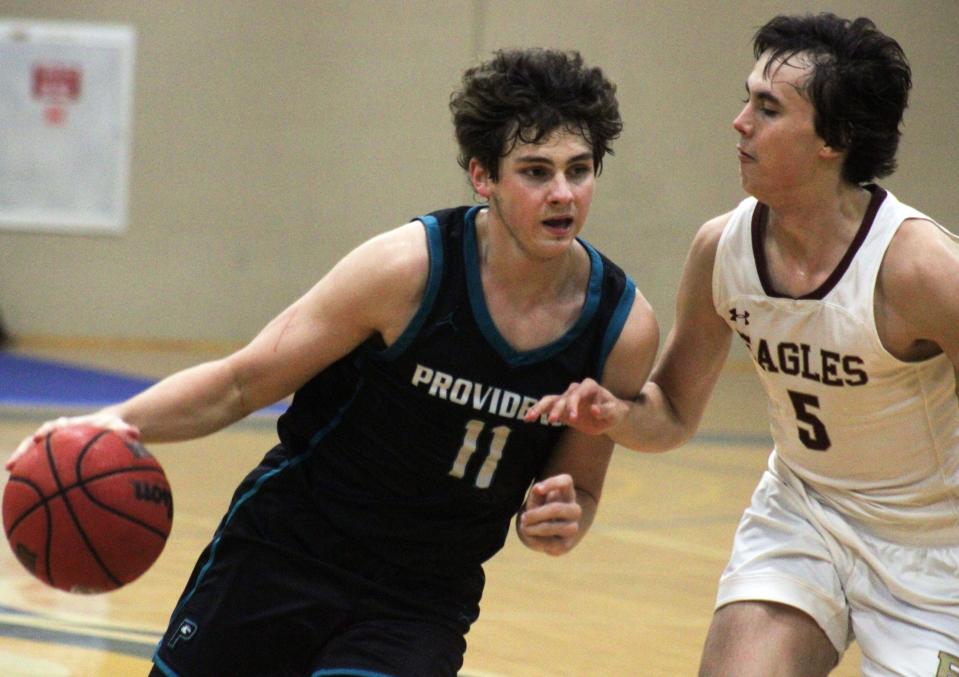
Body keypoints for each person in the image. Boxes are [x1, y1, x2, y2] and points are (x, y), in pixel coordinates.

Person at [7, 48, 658, 676]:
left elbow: (580, 484)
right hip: (285, 552)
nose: (563, 193)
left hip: (419, 597)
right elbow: (239, 384)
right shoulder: (405, 270)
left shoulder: (618, 327)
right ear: (481, 175)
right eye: (535, 170)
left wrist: (560, 518)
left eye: (579, 168)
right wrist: (102, 424)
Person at [526, 13, 959, 677]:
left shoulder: (920, 268)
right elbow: (670, 412)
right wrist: (614, 414)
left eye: (766, 107)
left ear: (834, 138)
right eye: (745, 98)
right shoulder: (722, 248)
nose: (738, 121)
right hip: (804, 515)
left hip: (934, 547)